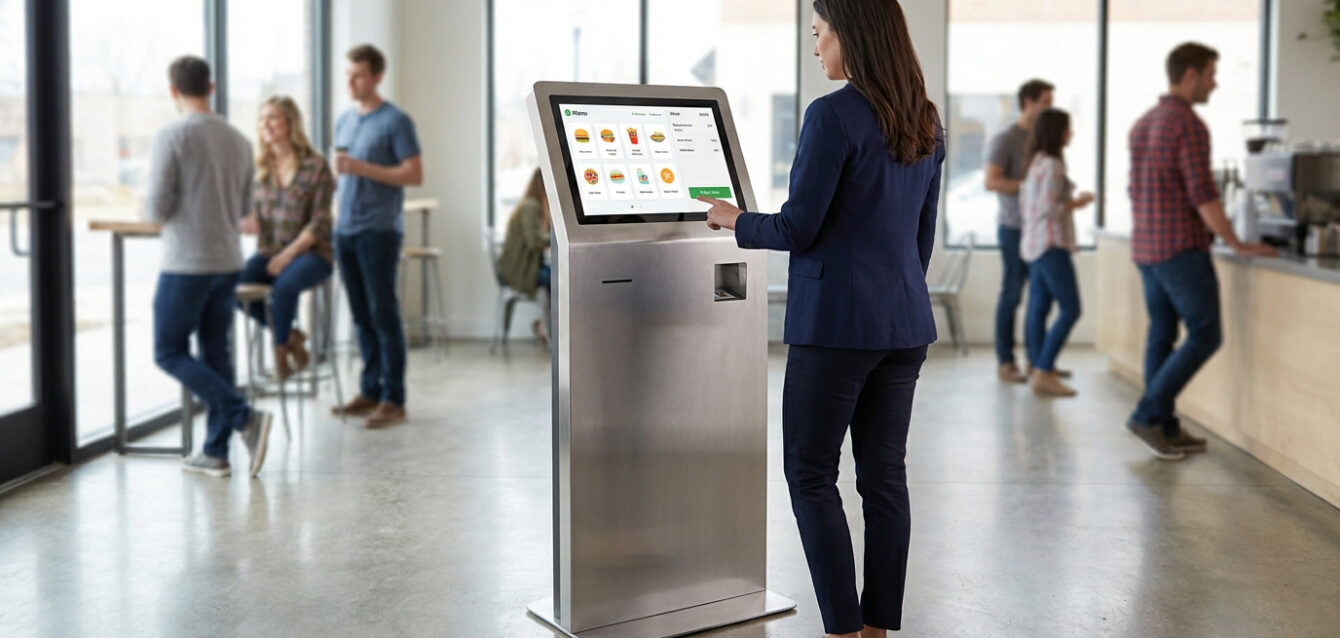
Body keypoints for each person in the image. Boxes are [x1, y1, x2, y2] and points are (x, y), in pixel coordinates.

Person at [698, 2, 942, 636]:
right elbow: (922, 238)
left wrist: (734, 220)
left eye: (818, 33)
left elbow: (797, 227)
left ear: (849, 34)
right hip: (904, 324)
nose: (815, 48)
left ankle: (841, 627)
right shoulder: (925, 120)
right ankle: (876, 627)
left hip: (835, 327)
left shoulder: (831, 116)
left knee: (810, 473)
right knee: (884, 477)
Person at [1126, 42, 1275, 460]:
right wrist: (1238, 243)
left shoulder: (1144, 123)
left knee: (1162, 333)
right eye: (1211, 73)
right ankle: (1146, 413)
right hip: (1180, 249)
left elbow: (1135, 190)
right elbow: (1204, 196)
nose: (1215, 82)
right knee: (1206, 333)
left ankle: (1164, 425)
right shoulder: (1188, 124)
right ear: (1190, 74)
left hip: (1147, 248)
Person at [144, 56, 272, 478]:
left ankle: (243, 416)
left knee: (168, 350)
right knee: (216, 353)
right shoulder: (239, 140)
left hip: (187, 262)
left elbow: (158, 208)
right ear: (211, 87)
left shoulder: (173, 135)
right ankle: (215, 451)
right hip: (227, 260)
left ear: (173, 91)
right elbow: (242, 209)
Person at [328, 44, 423, 429]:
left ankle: (393, 398)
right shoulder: (344, 120)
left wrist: (362, 168)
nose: (350, 82)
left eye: (358, 75)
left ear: (377, 76)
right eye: (348, 75)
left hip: (379, 231)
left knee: (385, 316)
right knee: (361, 316)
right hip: (344, 230)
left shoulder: (396, 121)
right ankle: (369, 390)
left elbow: (413, 174)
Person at [238, 96, 335, 381]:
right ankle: (291, 336)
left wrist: (287, 255)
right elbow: (243, 208)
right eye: (261, 118)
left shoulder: (315, 166)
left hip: (313, 253)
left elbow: (319, 222)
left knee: (284, 287)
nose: (265, 124)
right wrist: (246, 217)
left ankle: (280, 354)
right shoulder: (258, 168)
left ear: (289, 123)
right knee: (232, 286)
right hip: (270, 250)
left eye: (273, 118)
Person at [1020, 109, 1093, 397]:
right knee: (1071, 309)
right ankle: (1043, 370)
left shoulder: (1036, 162)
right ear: (1056, 132)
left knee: (1039, 307)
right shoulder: (1052, 165)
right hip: (1051, 244)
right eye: (1067, 129)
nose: (1070, 134)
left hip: (1034, 245)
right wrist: (1077, 203)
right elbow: (1050, 208)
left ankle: (1039, 366)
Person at [987, 79, 1055, 384]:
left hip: (1041, 230)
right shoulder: (1006, 139)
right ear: (1029, 102)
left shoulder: (1043, 141)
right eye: (1046, 101)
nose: (1051, 107)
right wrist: (1031, 189)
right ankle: (1006, 361)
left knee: (1041, 296)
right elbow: (992, 181)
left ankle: (1037, 363)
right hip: (1014, 229)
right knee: (1012, 294)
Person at [497, 169, 552, 345]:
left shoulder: (530, 204)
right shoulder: (531, 206)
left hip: (519, 268)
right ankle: (548, 327)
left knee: (558, 279)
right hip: (518, 271)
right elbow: (534, 240)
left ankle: (545, 325)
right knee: (560, 280)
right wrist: (559, 238)